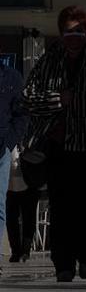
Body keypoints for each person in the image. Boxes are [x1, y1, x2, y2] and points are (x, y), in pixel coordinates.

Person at [21, 6, 86, 282]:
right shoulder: (50, 58)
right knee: (59, 204)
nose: (74, 37)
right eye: (69, 31)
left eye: (79, 32)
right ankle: (63, 263)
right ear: (60, 33)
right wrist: (58, 99)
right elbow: (29, 96)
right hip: (56, 144)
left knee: (82, 202)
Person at [0, 46, 27, 277]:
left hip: (1, 149)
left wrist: (8, 143)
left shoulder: (11, 78)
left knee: (0, 204)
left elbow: (21, 114)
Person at [6, 146, 39, 263]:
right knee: (11, 218)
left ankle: (25, 250)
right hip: (8, 181)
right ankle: (15, 250)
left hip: (29, 180)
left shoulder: (28, 134)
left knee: (29, 217)